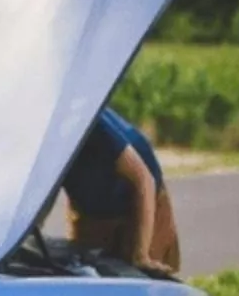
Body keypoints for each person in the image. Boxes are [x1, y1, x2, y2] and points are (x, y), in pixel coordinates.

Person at [60, 107, 181, 275]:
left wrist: (142, 255)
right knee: (86, 273)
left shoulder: (91, 123)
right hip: (93, 210)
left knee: (144, 276)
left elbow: (144, 180)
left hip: (141, 200)